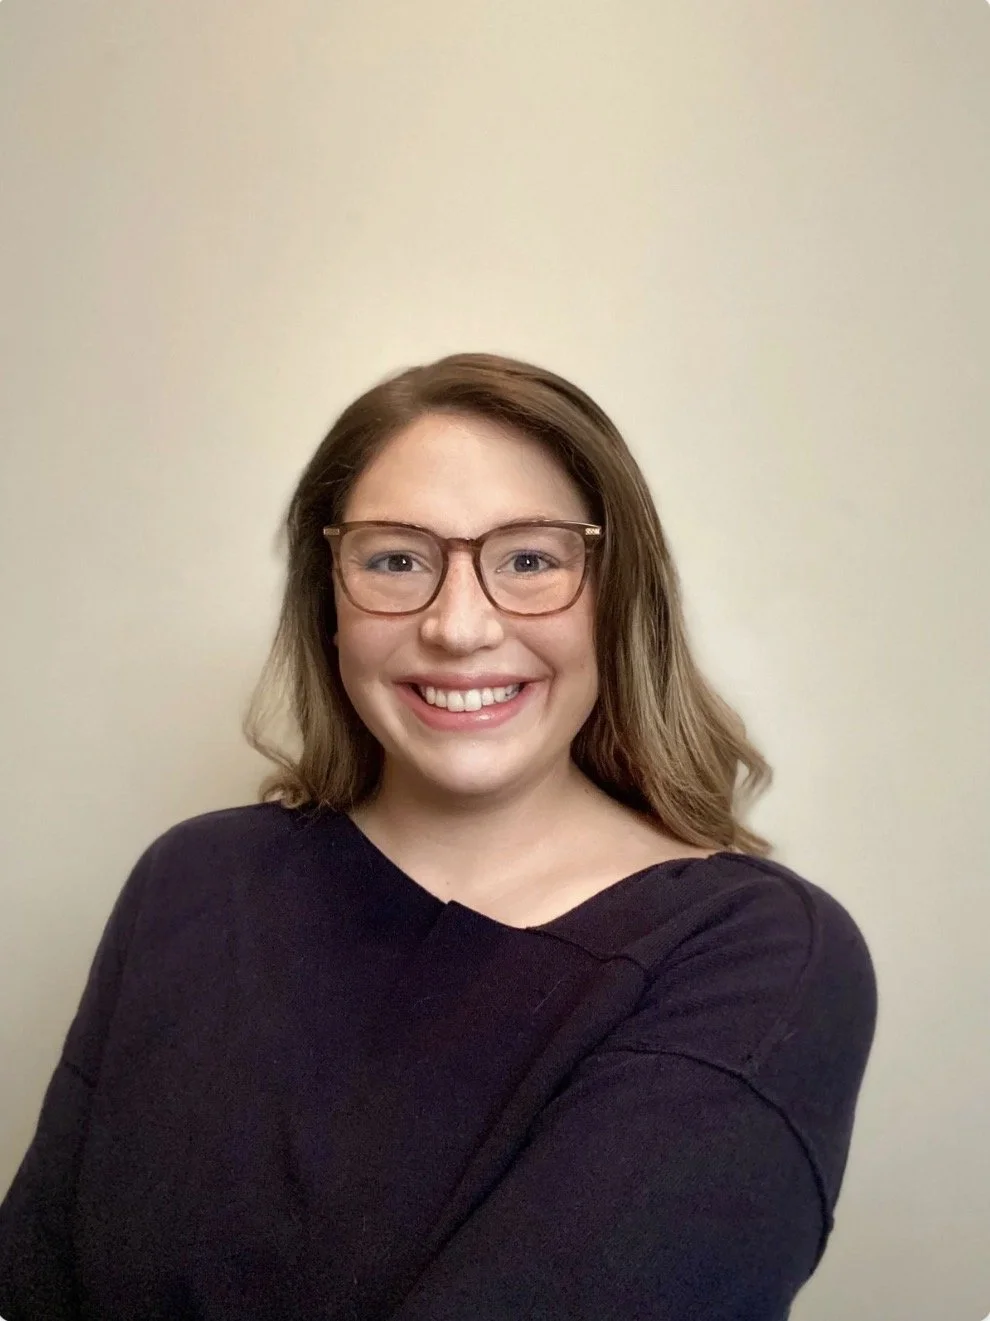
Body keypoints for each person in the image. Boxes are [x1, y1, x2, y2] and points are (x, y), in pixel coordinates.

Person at [0, 352, 877, 1320]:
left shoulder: (760, 959)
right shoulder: (193, 880)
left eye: (531, 559)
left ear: (616, 596)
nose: (459, 626)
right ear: (328, 600)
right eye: (395, 560)